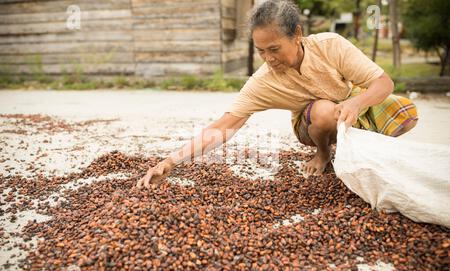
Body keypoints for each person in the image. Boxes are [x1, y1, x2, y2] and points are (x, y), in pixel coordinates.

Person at [137, 0, 418, 189]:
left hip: (350, 104)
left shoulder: (331, 45)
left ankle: (359, 146)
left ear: (297, 34)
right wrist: (171, 162)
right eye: (261, 51)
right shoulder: (263, 81)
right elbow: (224, 126)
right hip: (313, 123)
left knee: (407, 114)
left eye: (274, 49)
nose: (268, 58)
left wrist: (357, 102)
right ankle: (323, 154)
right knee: (323, 110)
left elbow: (383, 82)